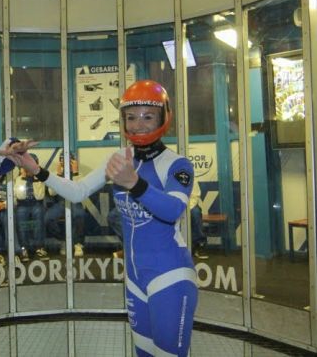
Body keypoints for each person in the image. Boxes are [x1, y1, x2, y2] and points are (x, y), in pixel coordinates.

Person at [14, 80, 198, 356]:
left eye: (148, 116)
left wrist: (135, 184)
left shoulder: (177, 164)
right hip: (135, 279)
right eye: (131, 117)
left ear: (163, 117)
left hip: (170, 276)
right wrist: (38, 170)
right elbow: (77, 192)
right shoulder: (119, 158)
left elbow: (172, 211)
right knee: (143, 353)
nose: (138, 124)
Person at [45, 151, 86, 257]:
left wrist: (75, 172)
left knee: (79, 214)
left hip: (75, 201)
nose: (65, 162)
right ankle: (64, 240)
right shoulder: (55, 174)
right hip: (61, 202)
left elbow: (81, 191)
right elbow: (51, 192)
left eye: (69, 160)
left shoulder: (79, 174)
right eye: (63, 160)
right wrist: (58, 175)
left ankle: (78, 243)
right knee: (48, 218)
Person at [14, 154, 49, 261]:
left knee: (38, 213)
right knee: (21, 216)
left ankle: (39, 247)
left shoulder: (40, 178)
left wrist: (36, 177)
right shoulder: (19, 179)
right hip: (22, 204)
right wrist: (24, 178)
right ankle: (23, 248)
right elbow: (20, 195)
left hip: (36, 203)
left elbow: (40, 196)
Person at [190, 186, 209, 260]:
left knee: (195, 213)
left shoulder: (191, 177)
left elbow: (195, 196)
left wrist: (187, 208)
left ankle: (200, 244)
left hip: (190, 204)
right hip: (174, 204)